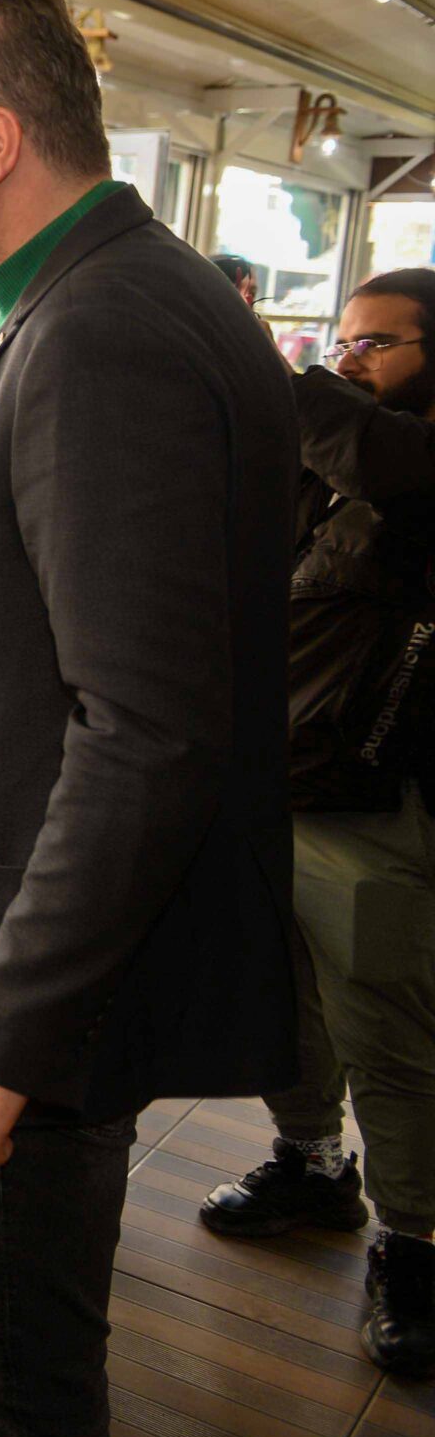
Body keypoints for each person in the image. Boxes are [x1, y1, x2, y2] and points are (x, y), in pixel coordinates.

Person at [0, 0, 299, 1437]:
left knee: (20, 1387)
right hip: (5, 973)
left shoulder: (100, 334)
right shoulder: (82, 307)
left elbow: (148, 730)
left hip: (19, 1001)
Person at [199, 268, 435, 1375]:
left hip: (372, 799)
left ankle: (417, 1241)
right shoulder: (323, 459)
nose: (348, 361)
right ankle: (310, 1162)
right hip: (272, 774)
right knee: (275, 987)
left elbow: (372, 453)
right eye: (339, 342)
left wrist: (259, 354)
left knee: (384, 1025)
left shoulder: (407, 459)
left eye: (376, 345)